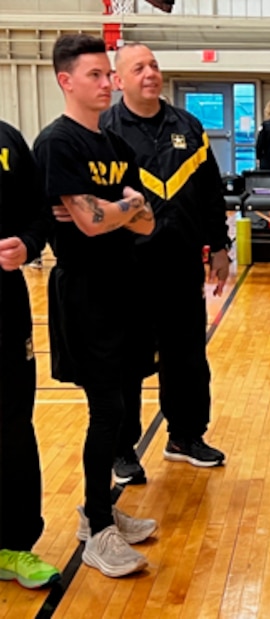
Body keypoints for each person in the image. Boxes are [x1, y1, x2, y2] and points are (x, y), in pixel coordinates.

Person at [32, 33, 158, 578]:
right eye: (95, 75)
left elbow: (148, 220)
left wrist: (117, 207)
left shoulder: (114, 146)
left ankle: (102, 506)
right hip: (86, 294)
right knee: (105, 411)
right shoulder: (59, 144)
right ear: (66, 81)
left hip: (125, 286)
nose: (107, 83)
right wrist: (120, 208)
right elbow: (88, 222)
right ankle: (96, 527)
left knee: (124, 406)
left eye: (109, 75)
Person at [100, 42, 229, 483]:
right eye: (138, 68)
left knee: (187, 355)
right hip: (126, 270)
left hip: (181, 265)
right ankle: (122, 450)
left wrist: (221, 246)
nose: (150, 73)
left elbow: (211, 192)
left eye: (153, 65)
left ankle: (186, 437)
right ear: (119, 80)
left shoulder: (189, 128)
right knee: (128, 362)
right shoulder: (103, 130)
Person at [0, 119, 61, 589]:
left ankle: (14, 545)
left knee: (13, 426)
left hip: (5, 311)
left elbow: (39, 212)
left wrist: (28, 243)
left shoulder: (7, 139)